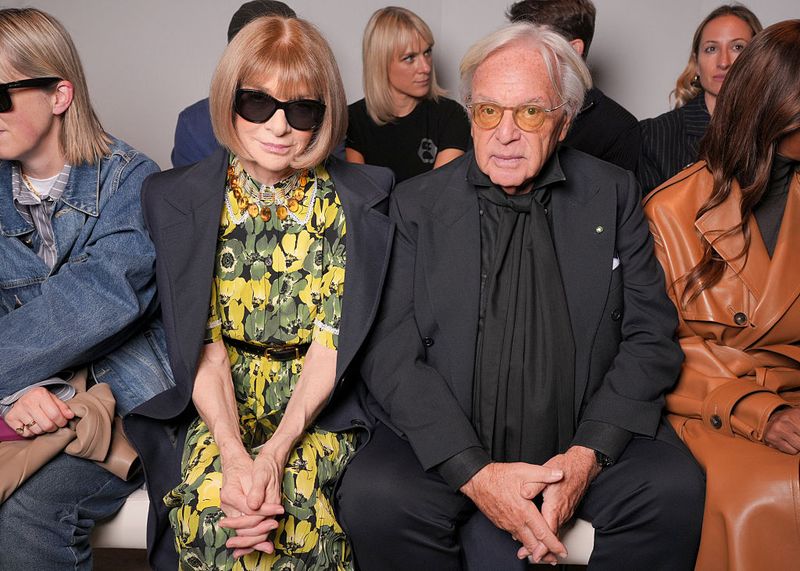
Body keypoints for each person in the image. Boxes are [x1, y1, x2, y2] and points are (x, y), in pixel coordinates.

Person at [337, 22, 704, 570]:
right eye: (488, 111)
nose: (505, 132)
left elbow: (650, 335)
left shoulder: (614, 192)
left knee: (671, 489)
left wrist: (585, 458)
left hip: (583, 436)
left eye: (530, 112)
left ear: (564, 121)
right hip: (452, 439)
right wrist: (474, 473)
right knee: (377, 498)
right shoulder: (416, 205)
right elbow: (390, 351)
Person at [132, 15, 394, 571]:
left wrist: (273, 456)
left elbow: (330, 349)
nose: (279, 127)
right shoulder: (172, 198)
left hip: (317, 405)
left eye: (301, 109)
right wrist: (233, 455)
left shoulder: (361, 200)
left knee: (291, 519)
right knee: (216, 516)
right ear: (228, 101)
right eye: (257, 104)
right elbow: (203, 348)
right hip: (218, 400)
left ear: (325, 117)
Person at [0, 8, 173, 570]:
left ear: (59, 95)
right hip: (22, 404)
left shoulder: (134, 183)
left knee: (26, 516)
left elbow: (97, 303)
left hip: (123, 408)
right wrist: (19, 394)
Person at [643, 19, 800, 571]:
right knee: (763, 498)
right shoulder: (673, 210)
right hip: (714, 404)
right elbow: (653, 349)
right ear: (778, 104)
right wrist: (758, 408)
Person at [637, 4, 761, 193]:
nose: (723, 62)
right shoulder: (655, 135)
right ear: (696, 63)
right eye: (711, 49)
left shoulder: (777, 133)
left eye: (737, 47)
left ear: (760, 60)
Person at [507, 0, 640, 172]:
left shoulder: (619, 128)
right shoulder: (499, 104)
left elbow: (616, 197)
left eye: (535, 43)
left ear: (574, 49)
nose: (515, 54)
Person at [345, 6, 471, 183]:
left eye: (427, 52)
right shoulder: (351, 121)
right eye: (410, 58)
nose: (426, 67)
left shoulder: (451, 116)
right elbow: (361, 199)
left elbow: (439, 194)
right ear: (380, 63)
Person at [170, 0, 296, 168]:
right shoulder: (196, 124)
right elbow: (190, 190)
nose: (279, 128)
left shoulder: (321, 116)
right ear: (233, 58)